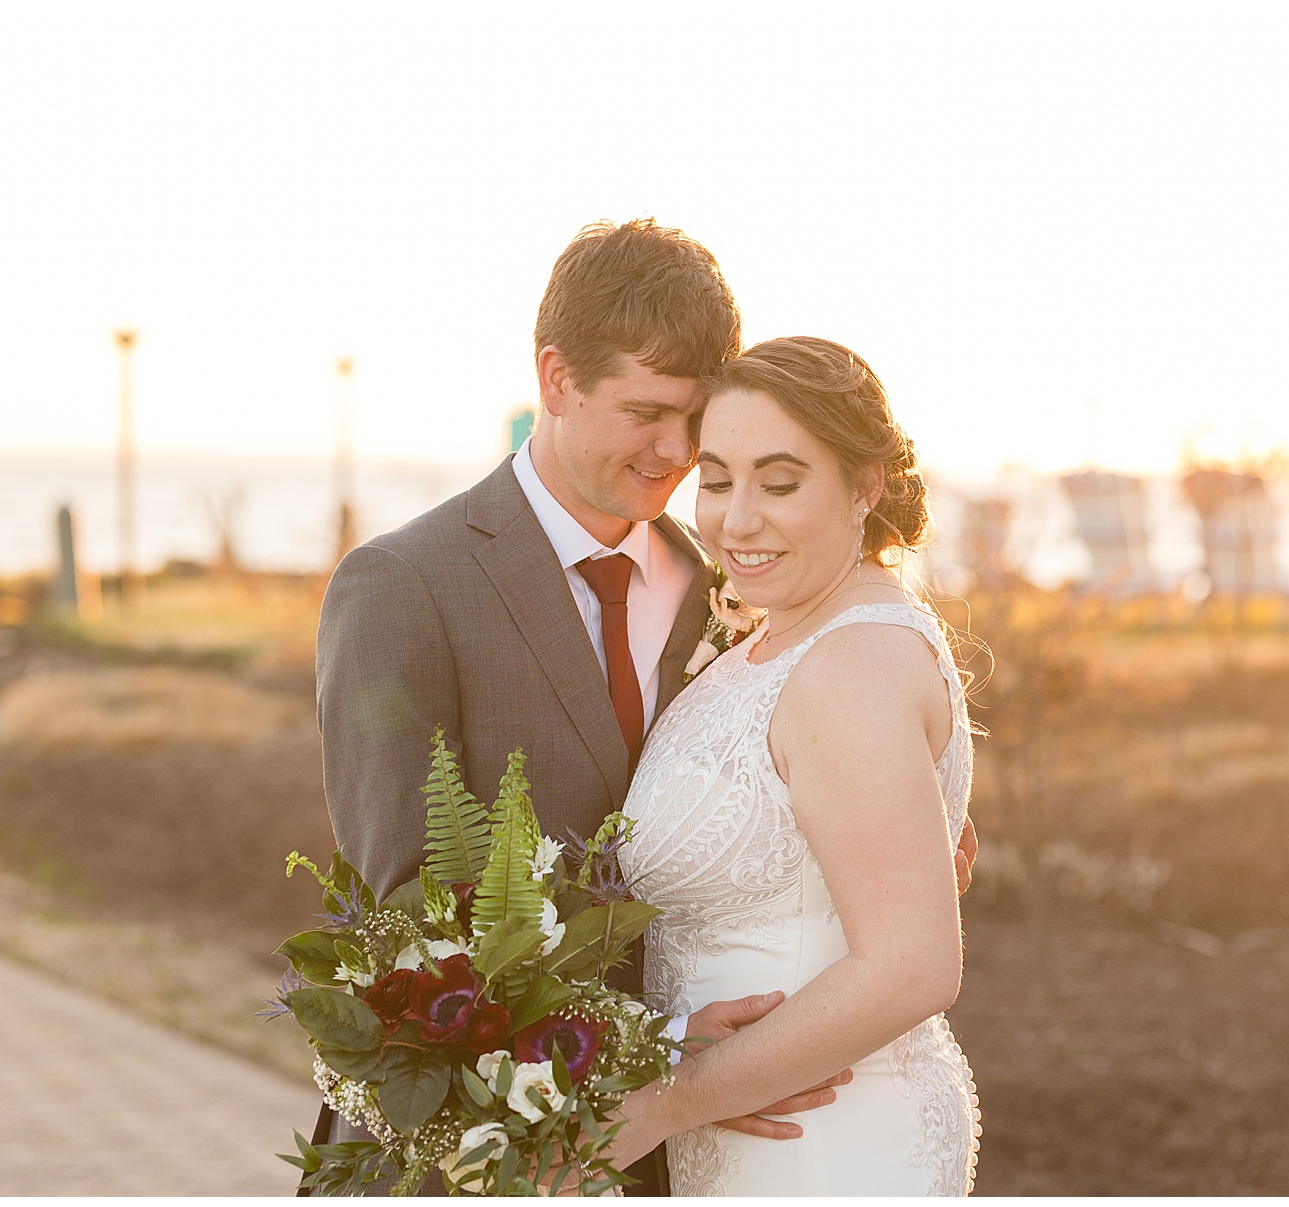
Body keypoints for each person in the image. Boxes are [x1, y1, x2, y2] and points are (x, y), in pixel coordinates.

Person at [314, 221, 977, 1195]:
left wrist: (911, 842)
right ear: (556, 379)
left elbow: (819, 785)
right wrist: (651, 1058)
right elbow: (415, 924)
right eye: (646, 412)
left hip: (720, 1141)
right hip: (491, 1149)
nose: (676, 453)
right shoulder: (403, 587)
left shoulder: (738, 582)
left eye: (696, 421)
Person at [613, 336, 982, 1195]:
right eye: (715, 480)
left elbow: (913, 963)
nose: (737, 520)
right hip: (759, 1141)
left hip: (826, 1147)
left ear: (866, 486)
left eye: (780, 483)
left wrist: (658, 1105)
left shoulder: (851, 663)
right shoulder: (783, 637)